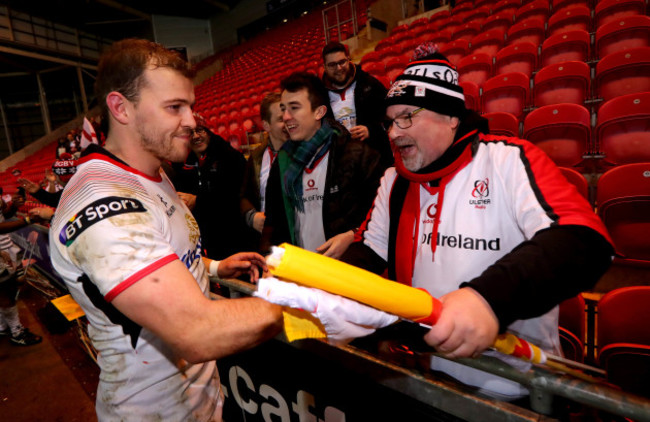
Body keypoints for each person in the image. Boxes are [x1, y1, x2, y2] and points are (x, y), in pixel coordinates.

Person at [341, 45, 614, 399]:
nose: (394, 132)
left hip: (517, 389)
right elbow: (369, 256)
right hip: (423, 377)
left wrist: (487, 299)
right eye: (391, 121)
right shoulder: (393, 179)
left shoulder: (508, 160)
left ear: (451, 117)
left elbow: (584, 240)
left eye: (407, 116)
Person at [49, 38, 282, 421]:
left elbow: (156, 253)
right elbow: (197, 332)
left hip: (196, 402)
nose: (192, 121)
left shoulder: (152, 172)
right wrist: (308, 304)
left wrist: (212, 267)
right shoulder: (103, 202)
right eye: (174, 107)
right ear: (120, 108)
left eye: (190, 106)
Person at [261, 72, 387, 259]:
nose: (286, 117)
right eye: (283, 109)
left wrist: (353, 235)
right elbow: (273, 224)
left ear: (319, 112)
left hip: (344, 272)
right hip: (299, 274)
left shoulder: (359, 156)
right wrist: (270, 262)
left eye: (294, 108)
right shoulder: (283, 162)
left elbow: (380, 218)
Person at [169, 113, 252, 260]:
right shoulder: (186, 164)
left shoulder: (229, 157)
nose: (196, 136)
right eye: (190, 133)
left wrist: (197, 200)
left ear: (208, 131)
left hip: (234, 236)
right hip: (208, 241)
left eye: (200, 130)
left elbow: (231, 195)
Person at [321, 41, 393, 167]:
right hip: (342, 164)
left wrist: (371, 130)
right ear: (325, 67)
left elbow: (391, 117)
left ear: (348, 59)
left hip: (375, 159)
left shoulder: (369, 83)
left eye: (342, 62)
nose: (338, 68)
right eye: (332, 65)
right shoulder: (320, 95)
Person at [240, 92, 288, 239]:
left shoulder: (303, 153)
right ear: (267, 125)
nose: (288, 121)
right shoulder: (256, 157)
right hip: (267, 238)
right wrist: (251, 216)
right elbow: (243, 195)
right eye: (281, 119)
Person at [0, 191, 43, 346]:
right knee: (6, 292)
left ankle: (3, 326)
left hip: (5, 248)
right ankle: (17, 332)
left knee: (7, 289)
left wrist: (13, 206)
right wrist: (28, 220)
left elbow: (4, 213)